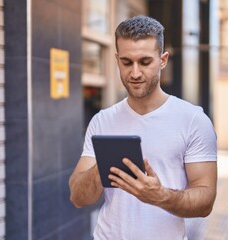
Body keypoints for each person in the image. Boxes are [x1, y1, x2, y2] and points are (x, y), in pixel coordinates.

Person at [69, 15, 217, 240]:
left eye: (145, 62)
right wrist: (102, 166)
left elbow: (206, 200)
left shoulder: (193, 120)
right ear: (117, 59)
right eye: (127, 62)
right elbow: (78, 198)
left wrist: (160, 195)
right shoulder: (102, 121)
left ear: (163, 60)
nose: (135, 73)